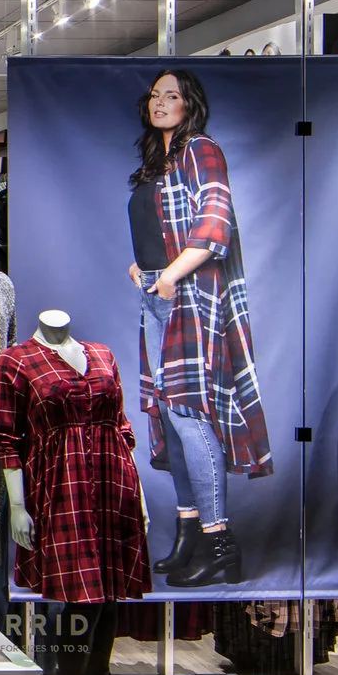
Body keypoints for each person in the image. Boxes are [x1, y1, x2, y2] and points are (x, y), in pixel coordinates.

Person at [127, 69, 272, 587]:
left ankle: (220, 545)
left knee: (190, 415)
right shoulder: (157, 164)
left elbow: (215, 225)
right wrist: (142, 269)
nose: (160, 102)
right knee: (169, 417)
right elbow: (156, 227)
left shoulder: (201, 150)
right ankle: (188, 532)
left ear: (190, 104)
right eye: (155, 95)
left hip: (188, 294)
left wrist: (169, 275)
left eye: (172, 95)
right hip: (155, 292)